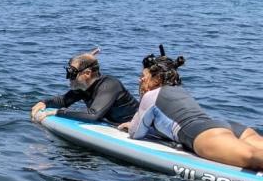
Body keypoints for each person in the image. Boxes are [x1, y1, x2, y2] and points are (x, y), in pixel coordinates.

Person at [117, 50, 263, 169]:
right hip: (228, 126)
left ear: (157, 79)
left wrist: (132, 124)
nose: (140, 80)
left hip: (203, 134)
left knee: (251, 157)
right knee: (256, 151)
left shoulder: (151, 96)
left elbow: (136, 133)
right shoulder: (180, 90)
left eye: (143, 76)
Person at [31, 50, 138, 124]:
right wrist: (44, 102)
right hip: (111, 123)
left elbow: (93, 115)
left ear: (87, 73)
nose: (68, 78)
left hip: (139, 127)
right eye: (68, 72)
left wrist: (57, 112)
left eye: (72, 73)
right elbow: (63, 101)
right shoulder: (83, 87)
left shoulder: (109, 85)